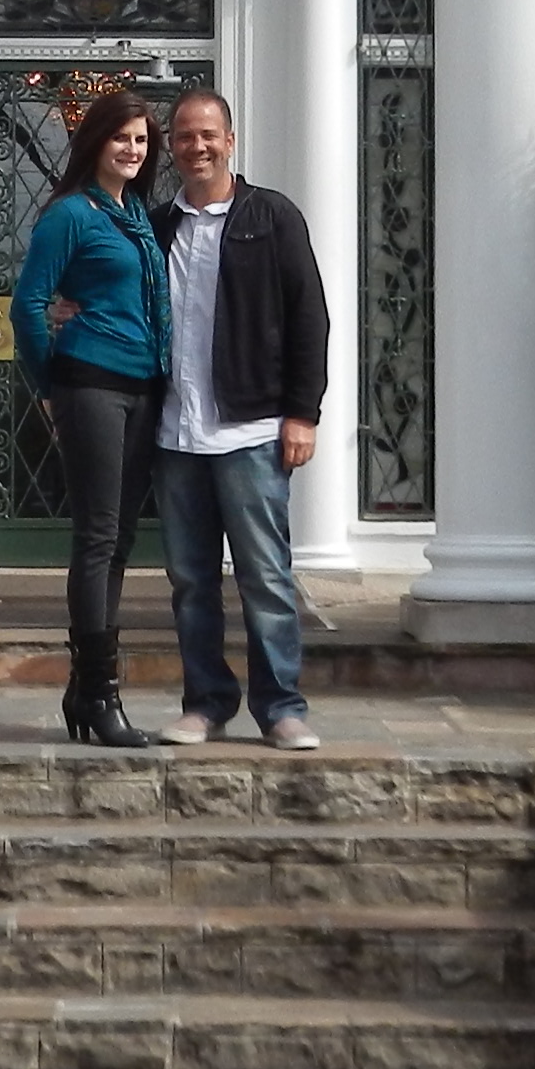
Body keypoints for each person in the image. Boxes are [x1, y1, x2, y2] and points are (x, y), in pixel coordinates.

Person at [148, 85, 332, 749]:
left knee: (265, 577)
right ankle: (205, 703)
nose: (197, 146)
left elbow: (309, 315)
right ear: (172, 148)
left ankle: (282, 707)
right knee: (191, 582)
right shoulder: (156, 225)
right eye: (184, 136)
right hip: (175, 434)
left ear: (230, 140)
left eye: (208, 135)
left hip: (252, 430)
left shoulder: (271, 216)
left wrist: (302, 413)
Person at [10, 87, 170, 751]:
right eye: (120, 138)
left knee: (121, 539)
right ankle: (100, 692)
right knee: (98, 537)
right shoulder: (70, 216)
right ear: (95, 142)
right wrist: (50, 386)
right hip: (91, 385)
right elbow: (27, 305)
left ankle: (86, 692)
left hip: (143, 387)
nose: (132, 149)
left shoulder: (137, 216)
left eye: (140, 140)